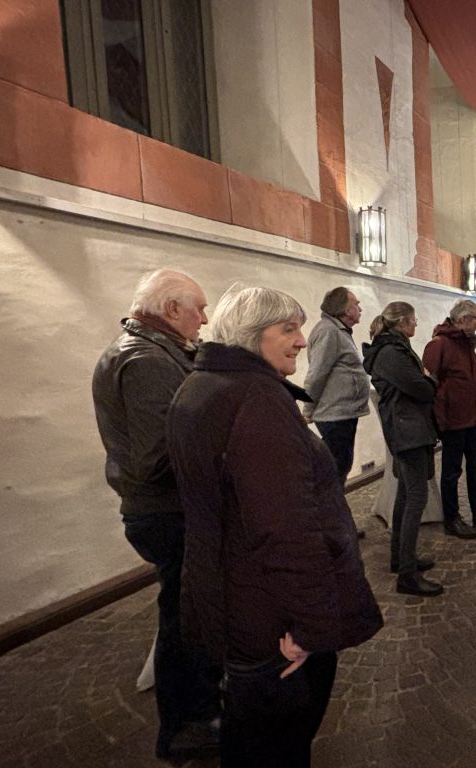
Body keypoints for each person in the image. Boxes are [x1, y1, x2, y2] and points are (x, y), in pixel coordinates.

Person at [167, 286, 382, 768]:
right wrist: (309, 627)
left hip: (232, 597)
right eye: (288, 330)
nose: (302, 341)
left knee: (248, 738)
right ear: (251, 335)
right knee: (278, 743)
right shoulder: (258, 401)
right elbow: (287, 531)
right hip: (269, 616)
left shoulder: (200, 385)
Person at [91, 268, 221, 761]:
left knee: (188, 613)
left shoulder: (152, 350)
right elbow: (158, 456)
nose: (204, 319)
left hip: (165, 508)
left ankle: (199, 708)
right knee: (185, 620)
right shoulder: (145, 359)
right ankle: (186, 726)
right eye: (199, 309)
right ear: (170, 310)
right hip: (166, 512)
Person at [362, 302, 444, 597]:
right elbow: (421, 388)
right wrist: (430, 380)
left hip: (410, 427)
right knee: (416, 497)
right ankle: (407, 575)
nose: (416, 324)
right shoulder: (390, 352)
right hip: (407, 430)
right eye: (413, 320)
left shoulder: (394, 348)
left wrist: (424, 380)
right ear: (401, 323)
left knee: (407, 494)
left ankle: (400, 559)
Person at [422, 300, 476, 538]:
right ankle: (452, 519)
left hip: (471, 419)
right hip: (452, 421)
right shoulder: (440, 345)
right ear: (463, 320)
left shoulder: (466, 345)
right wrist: (439, 420)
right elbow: (428, 385)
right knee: (452, 473)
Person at [302, 287, 369, 486]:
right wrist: (307, 410)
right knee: (334, 470)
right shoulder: (329, 331)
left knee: (341, 466)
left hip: (343, 413)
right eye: (356, 304)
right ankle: (331, 504)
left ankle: (334, 502)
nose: (360, 309)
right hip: (334, 414)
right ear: (346, 310)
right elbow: (317, 374)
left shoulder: (338, 330)